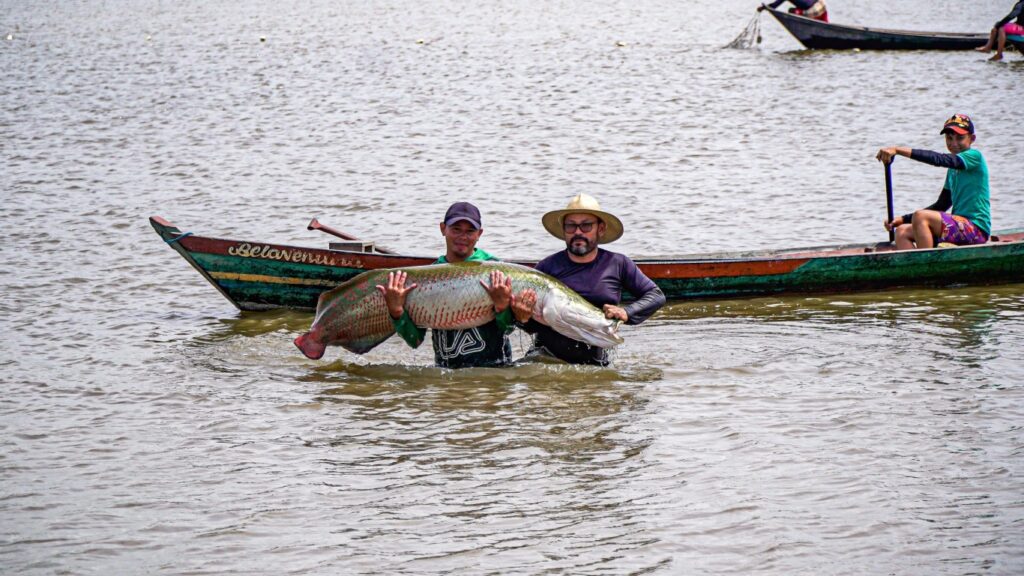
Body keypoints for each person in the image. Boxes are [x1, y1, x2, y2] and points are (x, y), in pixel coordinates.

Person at [513, 194, 666, 366]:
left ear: (600, 229)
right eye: (571, 226)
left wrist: (626, 313)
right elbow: (532, 325)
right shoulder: (546, 268)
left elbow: (656, 295)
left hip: (596, 363)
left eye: (586, 225)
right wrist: (522, 318)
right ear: (564, 230)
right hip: (547, 359)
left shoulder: (618, 263)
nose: (578, 232)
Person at [376, 201, 522, 368]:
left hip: (494, 370)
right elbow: (414, 340)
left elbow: (509, 329)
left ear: (479, 233)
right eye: (456, 229)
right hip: (447, 374)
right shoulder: (428, 277)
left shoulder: (496, 272)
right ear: (443, 229)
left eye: (470, 231)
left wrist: (502, 306)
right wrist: (396, 311)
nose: (463, 237)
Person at [876, 114, 991, 251]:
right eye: (949, 138)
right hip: (959, 228)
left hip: (976, 230)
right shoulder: (952, 170)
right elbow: (941, 205)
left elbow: (939, 159)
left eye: (960, 138)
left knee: (921, 216)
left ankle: (927, 263)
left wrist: (898, 150)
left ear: (972, 139)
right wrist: (902, 219)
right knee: (901, 232)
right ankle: (916, 269)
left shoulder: (974, 157)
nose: (954, 143)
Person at [758, 0, 828, 23]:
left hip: (813, 11)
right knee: (826, 25)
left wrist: (763, 8)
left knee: (791, 11)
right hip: (822, 6)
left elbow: (774, 6)